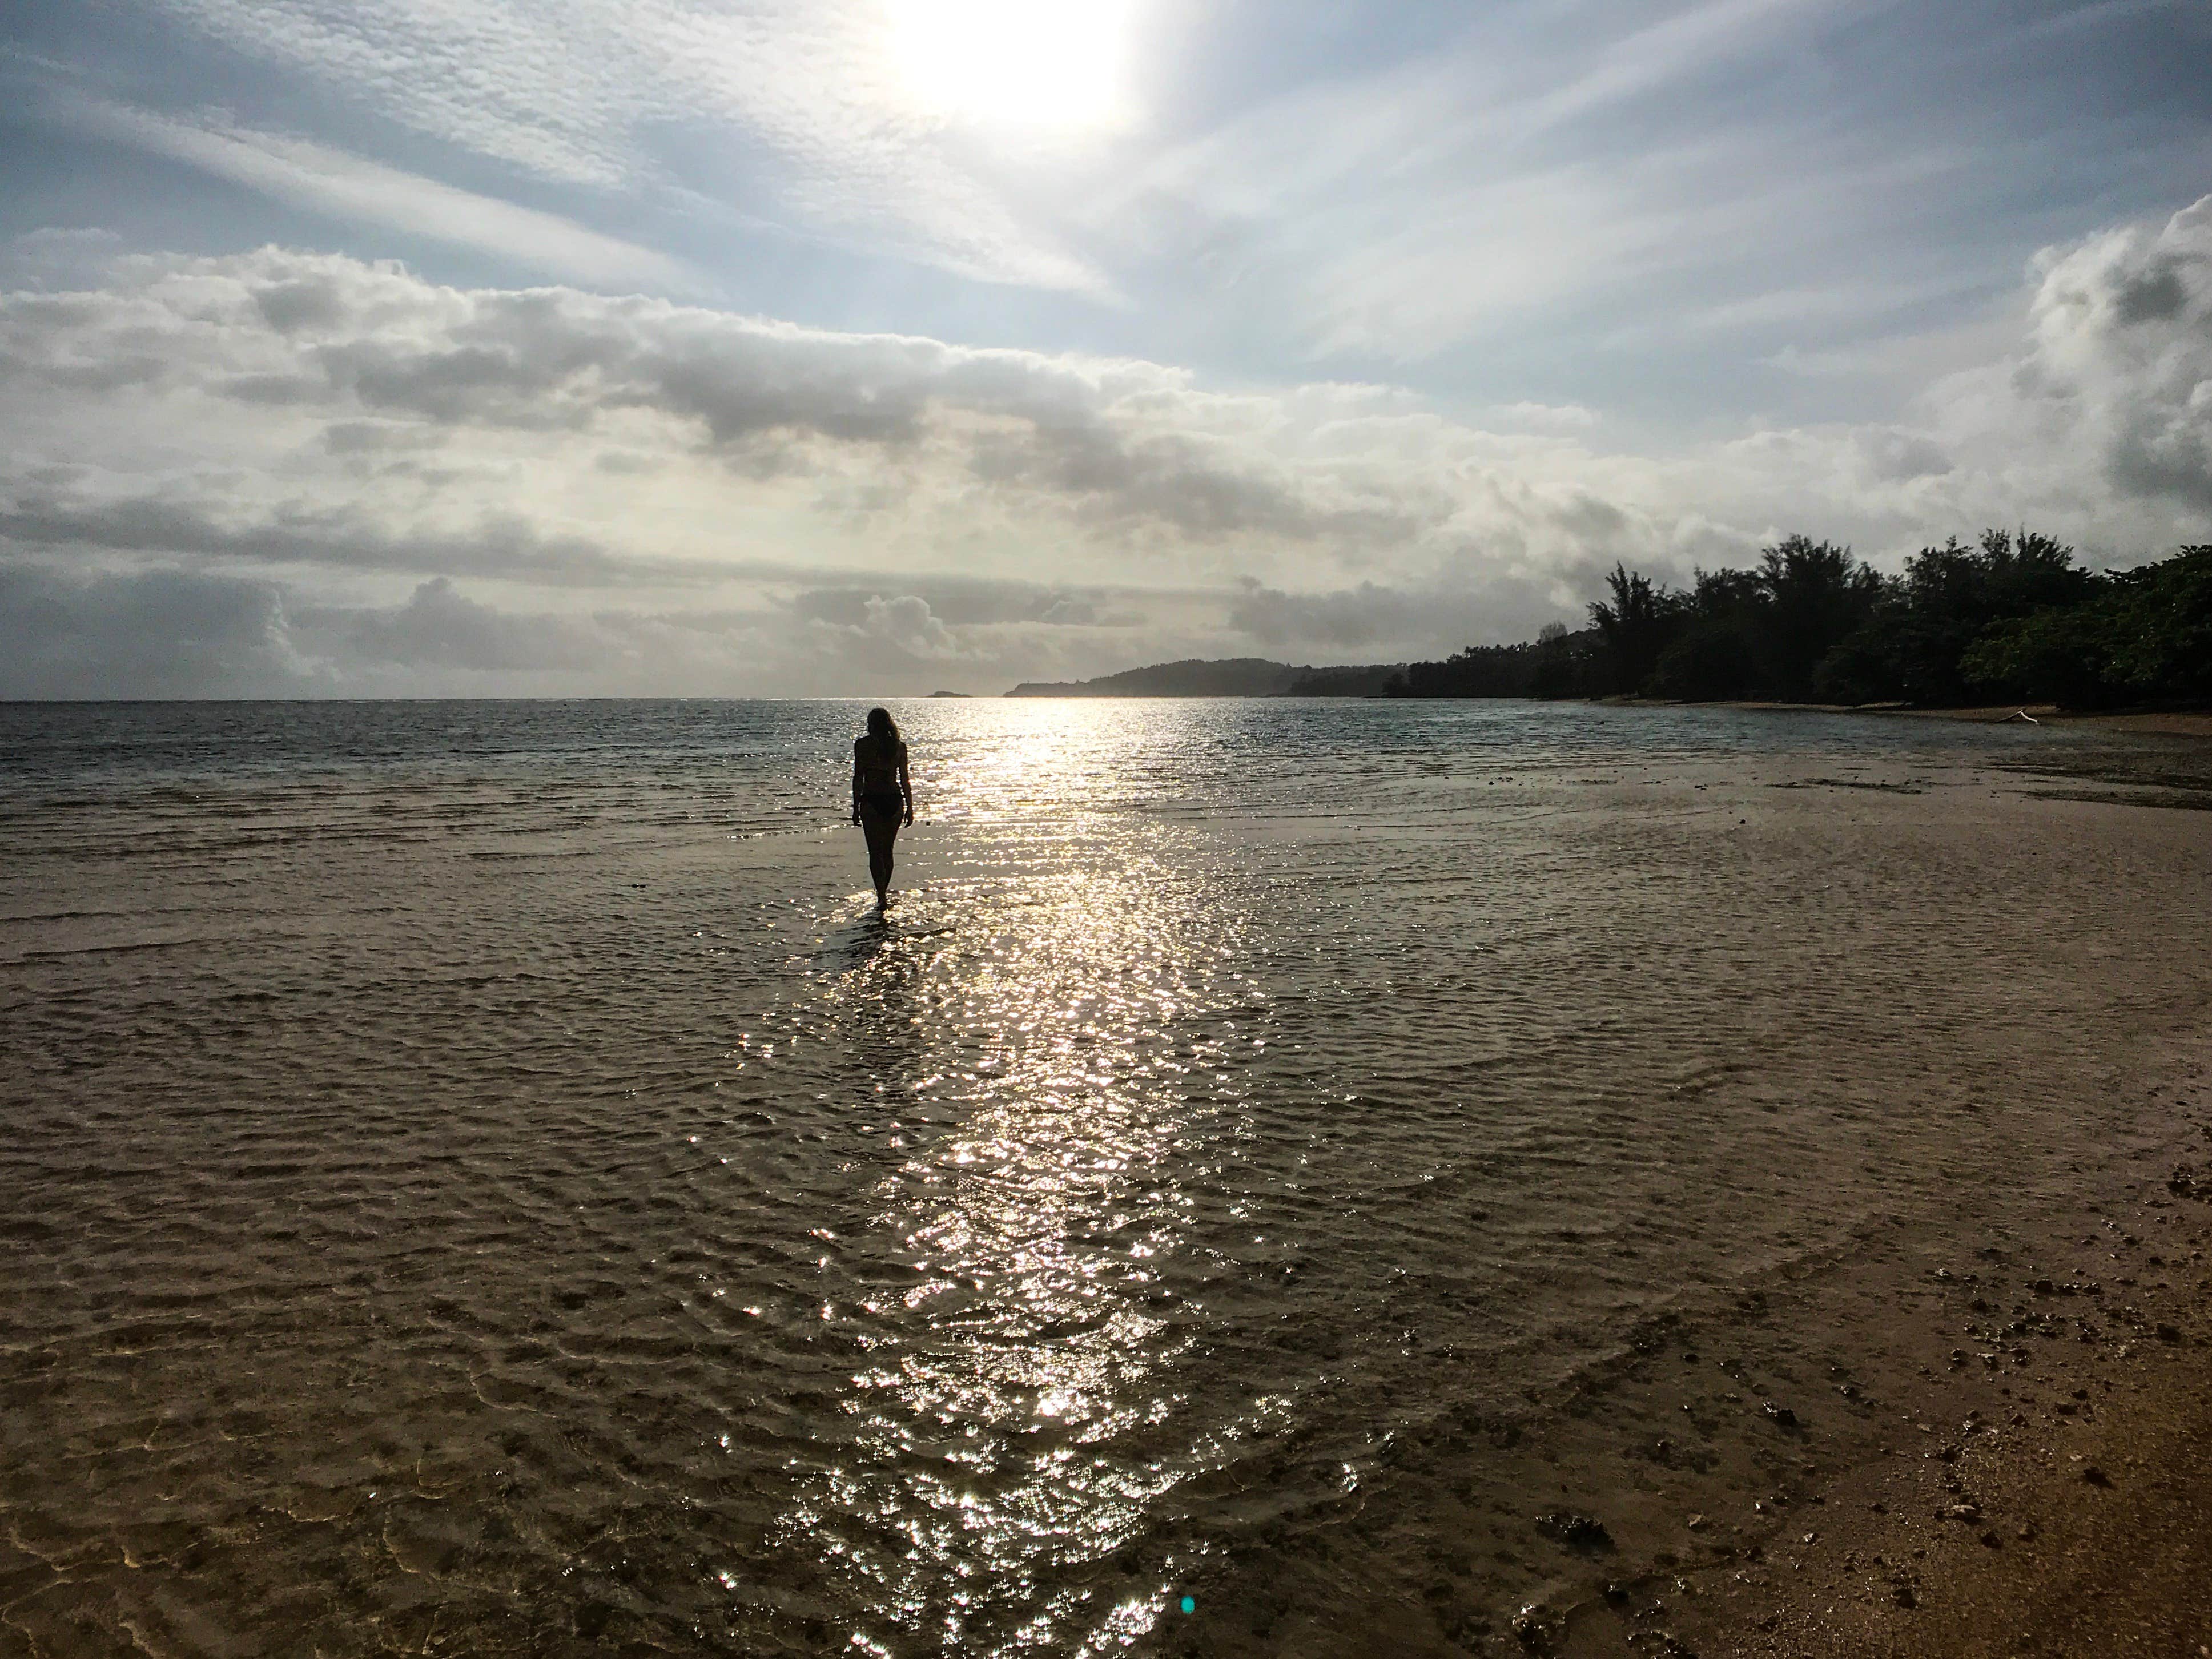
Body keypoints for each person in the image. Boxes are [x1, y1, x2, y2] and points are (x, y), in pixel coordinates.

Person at [850, 706, 913, 907]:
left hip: (872, 800)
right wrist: (910, 807)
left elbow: (858, 777)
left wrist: (855, 806)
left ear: (870, 725)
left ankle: (881, 895)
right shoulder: (898, 747)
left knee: (875, 852)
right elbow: (905, 780)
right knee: (888, 851)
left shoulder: (862, 745)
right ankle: (883, 892)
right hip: (894, 800)